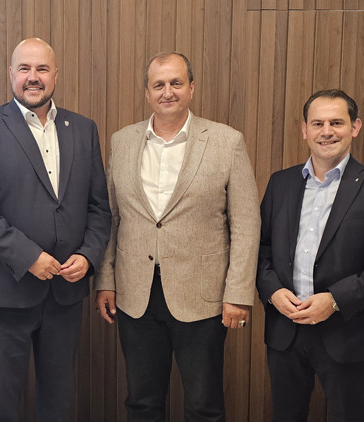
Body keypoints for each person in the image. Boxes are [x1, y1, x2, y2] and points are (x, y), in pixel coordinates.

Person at [94, 51, 260, 421]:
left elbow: (246, 224)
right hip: (135, 295)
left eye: (176, 83)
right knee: (142, 403)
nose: (167, 92)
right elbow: (111, 218)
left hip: (202, 297)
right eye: (158, 85)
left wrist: (237, 293)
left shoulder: (226, 141)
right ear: (147, 92)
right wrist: (105, 280)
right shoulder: (122, 142)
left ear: (192, 88)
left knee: (204, 405)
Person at [0, 38, 110, 421]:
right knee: (3, 402)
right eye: (24, 68)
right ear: (11, 74)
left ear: (55, 74)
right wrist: (28, 257)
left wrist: (88, 257)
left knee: (58, 402)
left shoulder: (84, 129)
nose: (33, 77)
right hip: (5, 293)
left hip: (65, 293)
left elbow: (98, 207)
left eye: (42, 69)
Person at [256, 89, 364, 421]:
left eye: (336, 123)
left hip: (348, 331)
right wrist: (272, 291)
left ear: (355, 127)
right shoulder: (280, 183)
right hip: (286, 330)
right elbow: (260, 249)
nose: (326, 131)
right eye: (318, 123)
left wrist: (335, 299)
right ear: (305, 130)